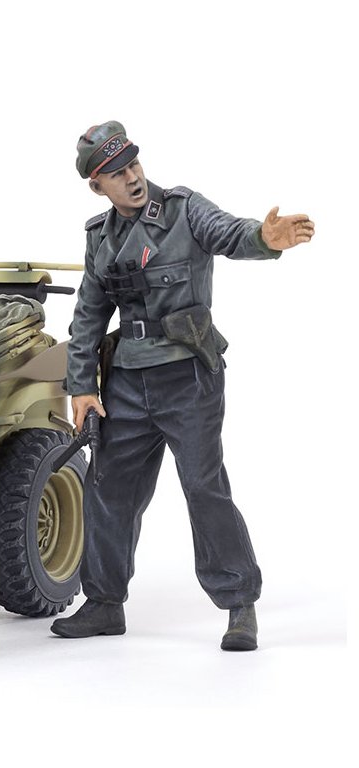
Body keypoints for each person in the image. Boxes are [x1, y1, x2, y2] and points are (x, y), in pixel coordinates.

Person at [52, 121, 315, 651]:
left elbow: (229, 233)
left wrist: (263, 239)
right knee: (108, 489)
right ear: (97, 185)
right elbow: (88, 316)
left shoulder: (183, 209)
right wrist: (82, 387)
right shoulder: (99, 237)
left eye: (133, 164)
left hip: (187, 376)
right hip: (127, 383)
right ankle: (104, 602)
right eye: (117, 173)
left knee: (203, 487)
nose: (132, 177)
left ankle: (239, 603)